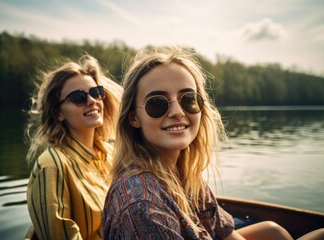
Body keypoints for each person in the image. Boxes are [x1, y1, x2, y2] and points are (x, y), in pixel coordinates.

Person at [102, 46, 324, 240]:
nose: (178, 112)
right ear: (133, 118)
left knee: (273, 232)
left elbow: (226, 235)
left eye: (188, 99)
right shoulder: (142, 206)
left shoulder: (183, 176)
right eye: (157, 104)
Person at [25, 54, 122, 240]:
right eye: (78, 97)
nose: (92, 101)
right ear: (58, 113)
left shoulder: (112, 154)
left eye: (96, 92)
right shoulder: (51, 166)